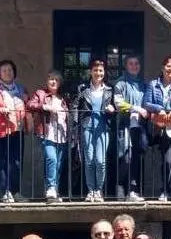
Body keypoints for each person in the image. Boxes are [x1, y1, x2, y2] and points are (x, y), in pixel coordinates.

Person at [143, 57, 171, 201]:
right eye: (169, 66)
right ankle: (165, 190)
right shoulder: (153, 84)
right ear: (163, 68)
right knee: (168, 161)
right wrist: (159, 109)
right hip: (162, 126)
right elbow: (146, 103)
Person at [0, 59, 28, 203]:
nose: (8, 73)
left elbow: (27, 107)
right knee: (0, 163)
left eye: (10, 70)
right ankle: (4, 191)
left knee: (16, 162)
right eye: (4, 70)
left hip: (17, 130)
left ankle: (16, 191)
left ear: (14, 72)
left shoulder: (20, 89)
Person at [73, 60, 116, 202]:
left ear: (104, 73)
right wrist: (75, 123)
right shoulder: (83, 88)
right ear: (91, 72)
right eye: (95, 70)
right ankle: (91, 190)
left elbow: (115, 108)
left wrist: (112, 110)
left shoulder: (110, 90)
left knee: (100, 161)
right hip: (87, 127)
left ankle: (99, 190)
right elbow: (74, 106)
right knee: (89, 160)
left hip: (103, 129)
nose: (98, 73)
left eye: (101, 71)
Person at [28, 70, 69, 203]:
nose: (53, 82)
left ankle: (54, 191)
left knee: (58, 164)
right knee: (51, 159)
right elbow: (30, 104)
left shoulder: (63, 99)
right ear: (47, 81)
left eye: (56, 80)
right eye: (51, 79)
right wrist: (45, 106)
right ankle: (51, 187)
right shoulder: (41, 94)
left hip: (62, 134)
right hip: (47, 133)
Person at [113, 55, 148, 202]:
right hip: (125, 125)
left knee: (137, 159)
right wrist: (136, 108)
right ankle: (120, 186)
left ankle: (133, 191)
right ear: (126, 66)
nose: (134, 66)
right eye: (131, 64)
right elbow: (118, 103)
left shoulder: (143, 85)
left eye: (136, 63)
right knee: (125, 158)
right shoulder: (120, 83)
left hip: (139, 127)